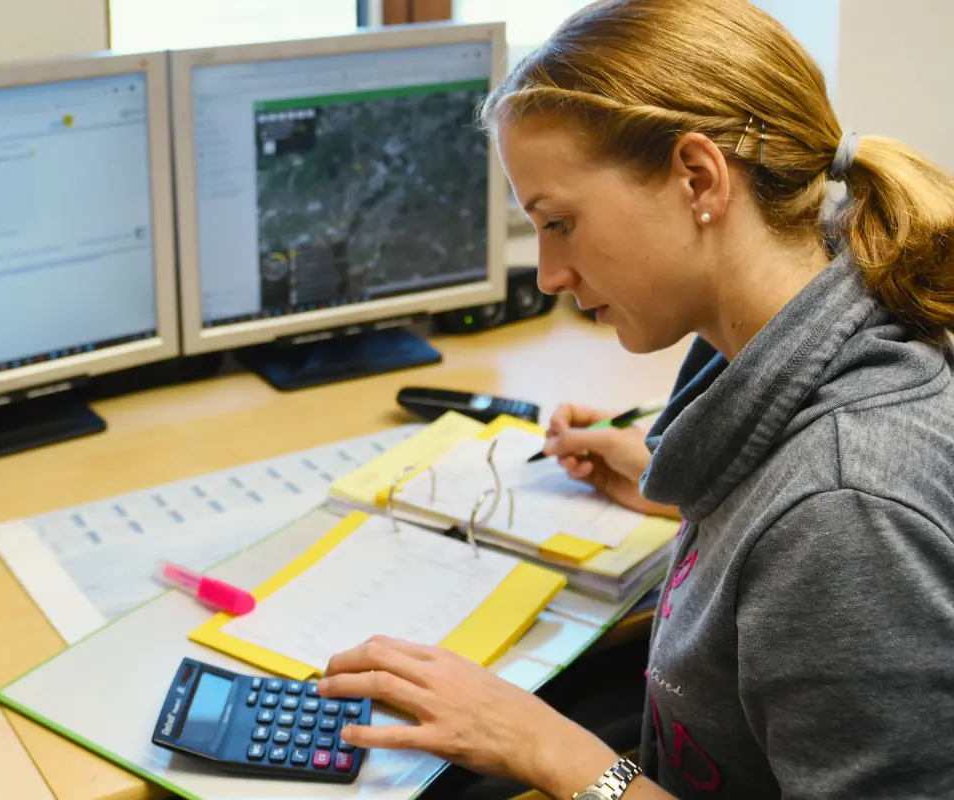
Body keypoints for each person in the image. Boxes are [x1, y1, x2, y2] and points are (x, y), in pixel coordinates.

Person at [316, 0, 954, 797]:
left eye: (560, 223)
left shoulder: (845, 510)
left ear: (698, 178)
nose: (548, 274)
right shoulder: (831, 317)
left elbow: (828, 529)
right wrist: (674, 487)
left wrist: (549, 750)